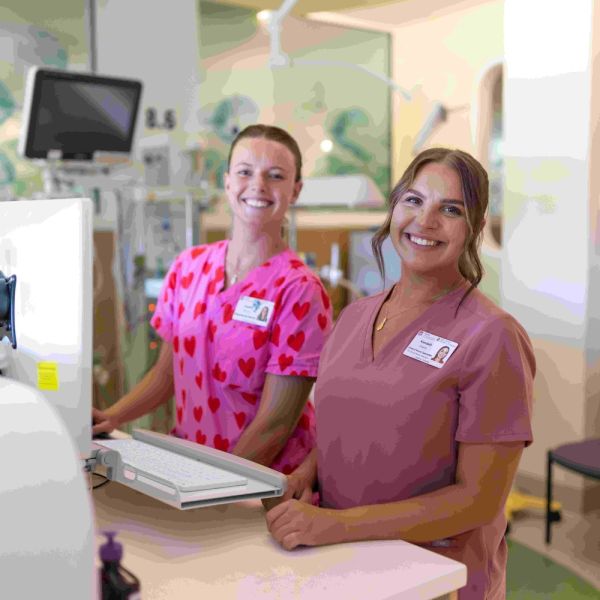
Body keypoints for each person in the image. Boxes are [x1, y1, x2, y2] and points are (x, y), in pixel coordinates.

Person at [265, 148, 535, 600]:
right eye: (413, 200)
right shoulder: (355, 317)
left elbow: (479, 499)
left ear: (475, 227)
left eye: (450, 209)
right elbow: (353, 422)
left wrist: (337, 525)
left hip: (434, 577)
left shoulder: (493, 337)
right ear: (393, 208)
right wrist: (306, 474)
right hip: (341, 563)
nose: (424, 221)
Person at [93, 124, 333, 476]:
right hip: (192, 468)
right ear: (227, 182)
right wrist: (113, 416)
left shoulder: (299, 291)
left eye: (276, 176)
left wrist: (217, 483)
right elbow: (168, 373)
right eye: (245, 172)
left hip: (260, 484)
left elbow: (275, 425)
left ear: (295, 190)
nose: (258, 185)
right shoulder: (188, 267)